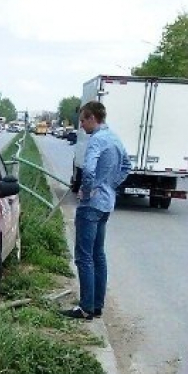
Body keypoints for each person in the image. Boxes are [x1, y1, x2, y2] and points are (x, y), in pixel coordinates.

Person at [60, 101, 131, 320]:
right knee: (98, 255)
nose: (81, 125)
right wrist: (110, 185)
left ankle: (86, 308)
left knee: (84, 257)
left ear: (93, 118)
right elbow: (127, 166)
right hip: (107, 204)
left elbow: (89, 170)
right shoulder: (114, 138)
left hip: (92, 205)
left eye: (83, 120)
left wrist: (89, 190)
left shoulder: (96, 140)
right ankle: (97, 305)